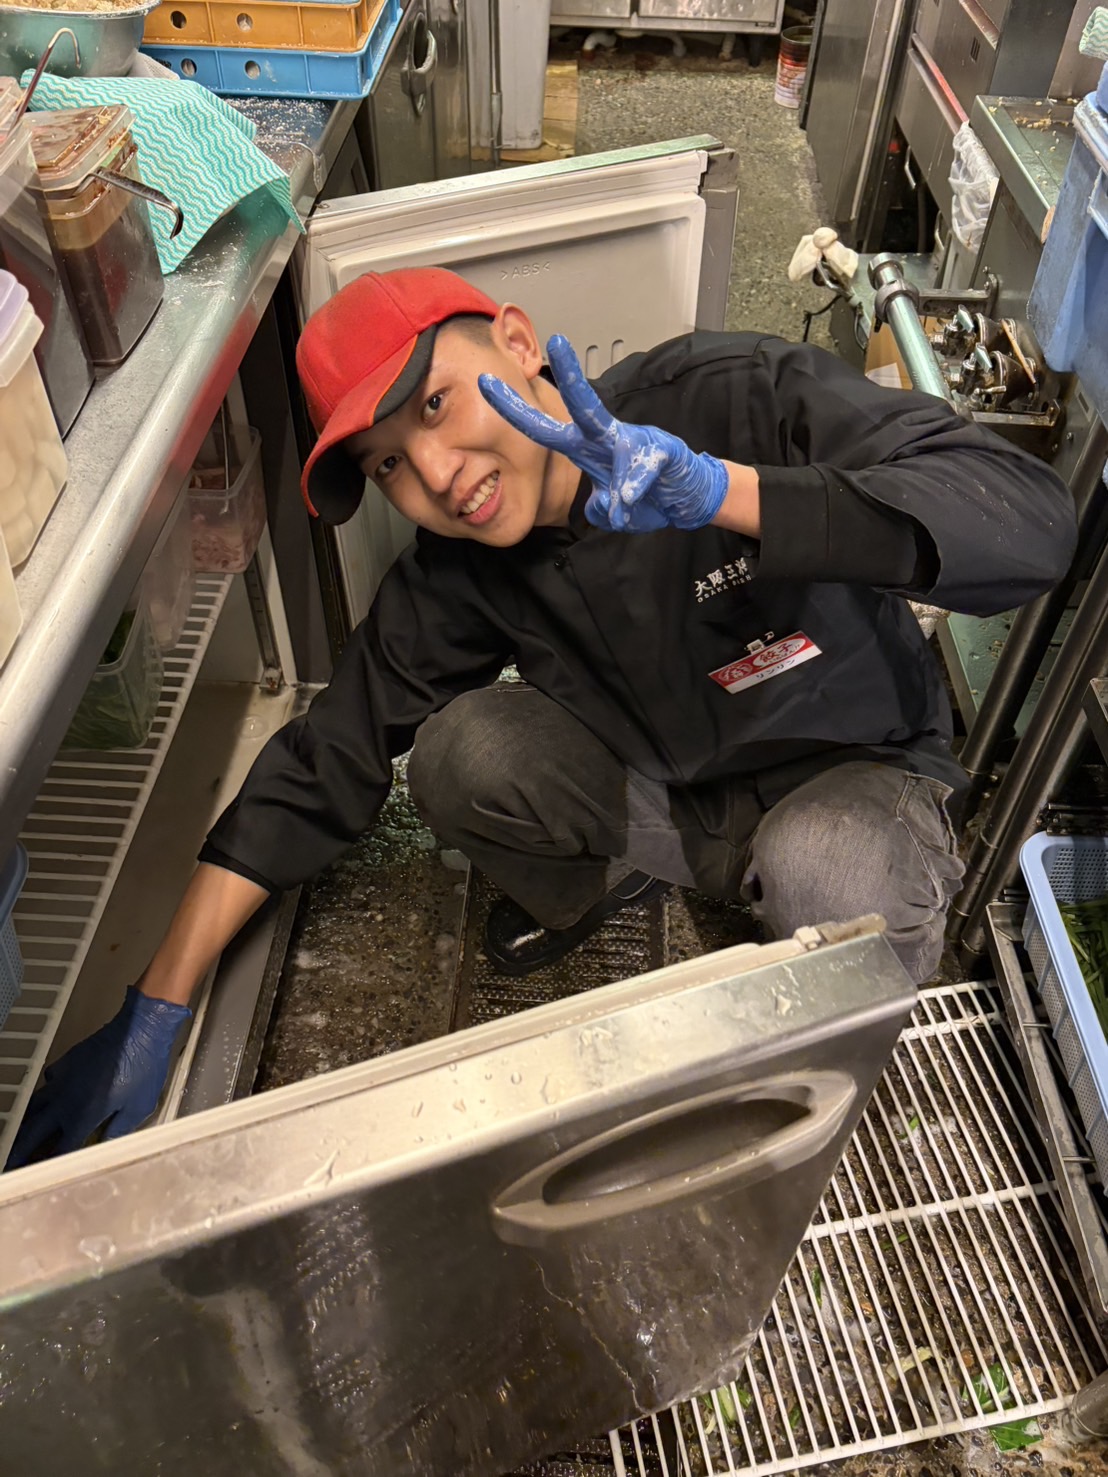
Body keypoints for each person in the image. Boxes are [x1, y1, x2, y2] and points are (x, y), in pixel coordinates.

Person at [8, 266, 1076, 1165]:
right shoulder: (464, 567)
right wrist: (158, 1002)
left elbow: (1028, 520)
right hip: (680, 797)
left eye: (435, 404)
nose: (437, 476)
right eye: (388, 463)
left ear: (518, 344)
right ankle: (620, 892)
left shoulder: (727, 397)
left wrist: (725, 494)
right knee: (459, 753)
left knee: (829, 874)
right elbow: (328, 755)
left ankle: (829, 1031)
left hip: (851, 774)